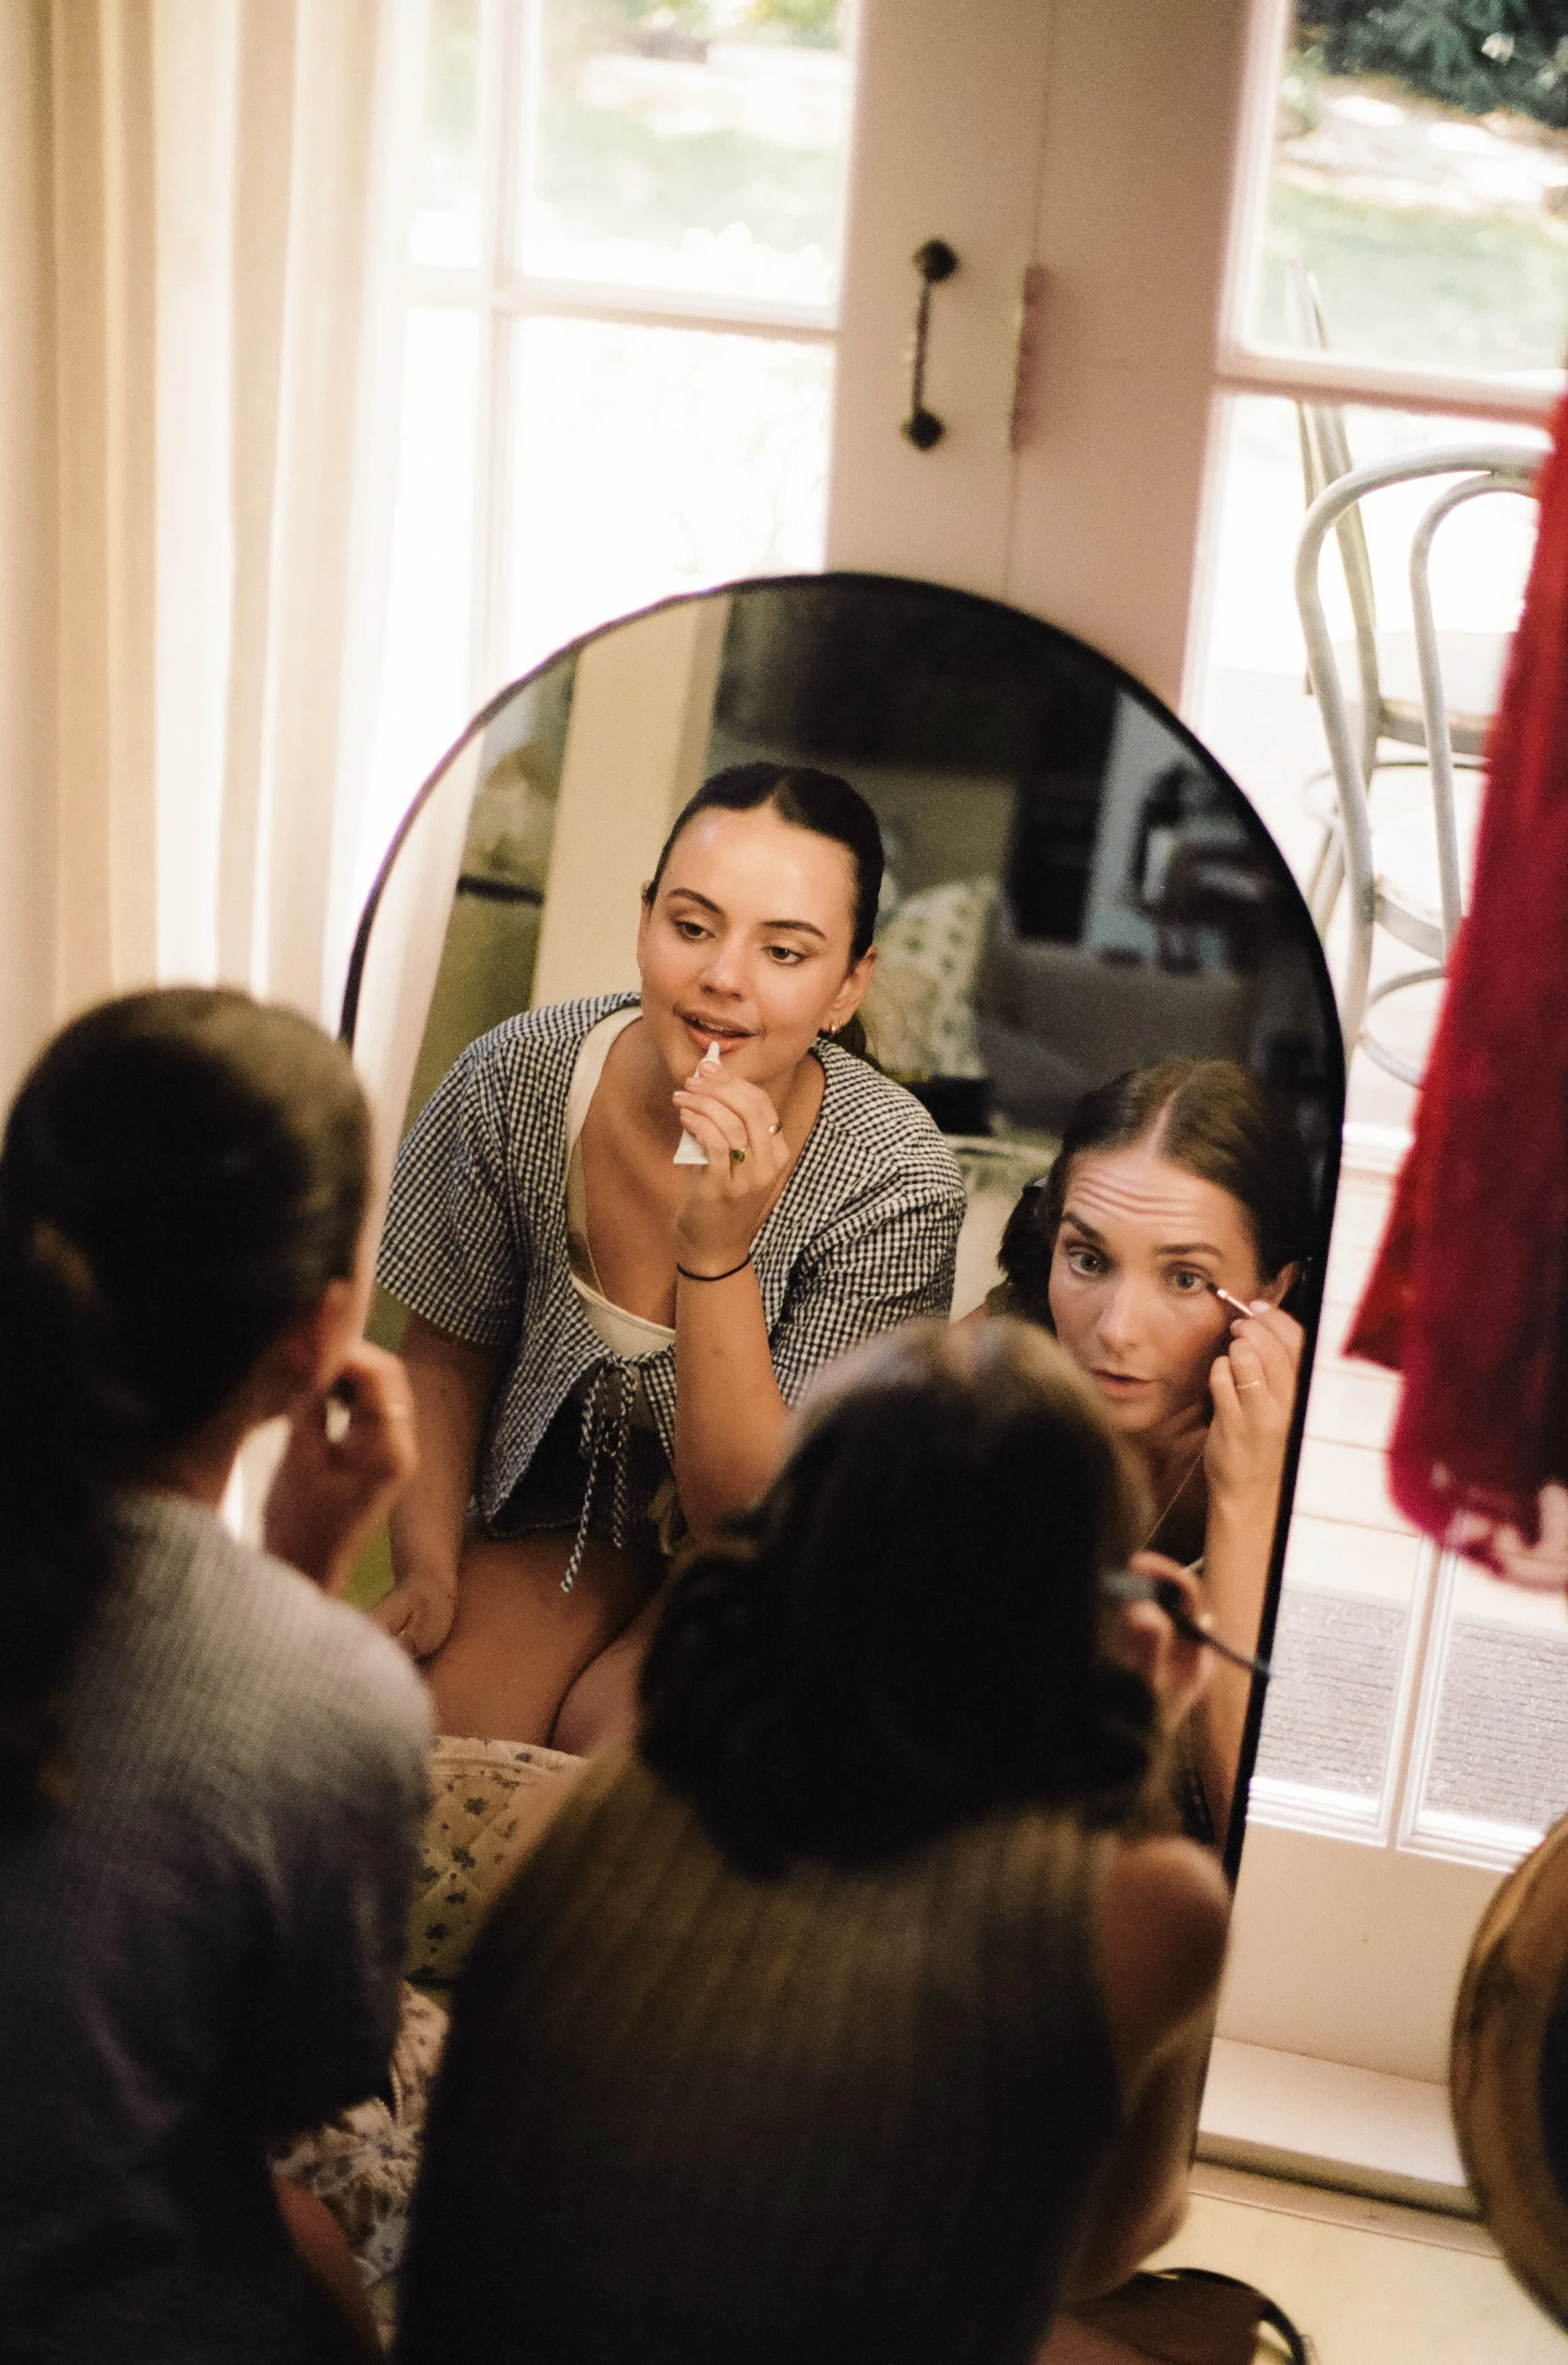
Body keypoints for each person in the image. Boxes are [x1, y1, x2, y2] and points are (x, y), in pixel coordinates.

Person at [393, 1319, 1230, 2365]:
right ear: (1083, 1617)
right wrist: (1135, 1753)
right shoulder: (1139, 1909)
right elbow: (1104, 2247)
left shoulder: (588, 1819)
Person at [0, 988, 431, 2363]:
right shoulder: (333, 1702)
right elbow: (299, 2082)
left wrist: (287, 1585)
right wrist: (300, 1597)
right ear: (318, 1333)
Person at [373, 761, 966, 1751]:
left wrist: (716, 1256)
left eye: (783, 950)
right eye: (691, 927)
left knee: (632, 1776)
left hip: (764, 1571)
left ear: (846, 985)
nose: (722, 977)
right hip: (551, 1530)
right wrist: (428, 1567)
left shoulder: (896, 1177)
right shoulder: (513, 1078)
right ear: (644, 920)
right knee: (438, 1749)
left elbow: (752, 1516)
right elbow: (443, 1359)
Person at [987, 1057, 1313, 1841]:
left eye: (1183, 1278)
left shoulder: (1310, 1477)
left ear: (1267, 1294)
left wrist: (1246, 1494)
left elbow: (1250, 1829)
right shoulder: (997, 1367)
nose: (1116, 1327)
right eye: (1088, 1260)